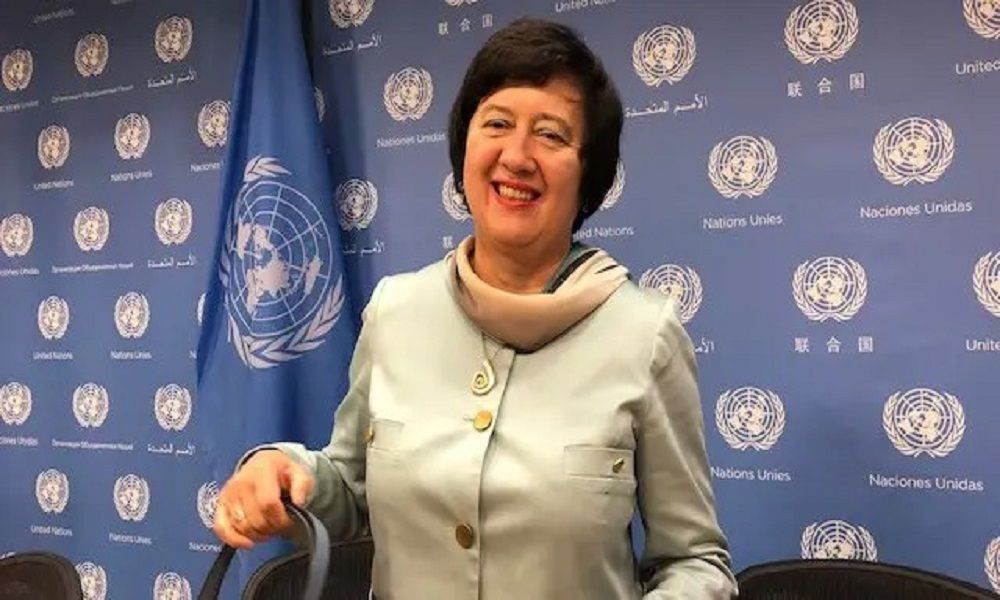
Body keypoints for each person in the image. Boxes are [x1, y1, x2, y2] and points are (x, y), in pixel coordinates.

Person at [214, 18, 737, 599]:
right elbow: (352, 490)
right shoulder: (395, 312)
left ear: (588, 174)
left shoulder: (643, 334)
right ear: (465, 148)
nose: (517, 155)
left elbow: (696, 562)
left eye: (551, 135)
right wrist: (287, 470)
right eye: (496, 124)